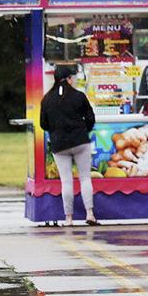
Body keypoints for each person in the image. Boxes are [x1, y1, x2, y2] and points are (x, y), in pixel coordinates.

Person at [39, 64, 98, 226]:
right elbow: (91, 118)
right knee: (85, 178)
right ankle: (90, 213)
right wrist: (82, 130)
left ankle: (69, 218)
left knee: (66, 181)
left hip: (59, 144)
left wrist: (57, 130)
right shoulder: (79, 96)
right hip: (80, 141)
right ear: (69, 79)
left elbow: (43, 124)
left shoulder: (47, 99)